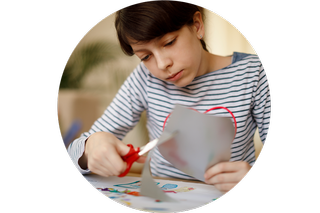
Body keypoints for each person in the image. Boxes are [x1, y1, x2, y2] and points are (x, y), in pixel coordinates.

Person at [67, 0, 270, 194]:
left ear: (197, 26)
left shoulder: (253, 74)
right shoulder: (145, 78)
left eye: (169, 43)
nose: (162, 64)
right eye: (146, 56)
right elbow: (74, 152)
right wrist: (90, 148)